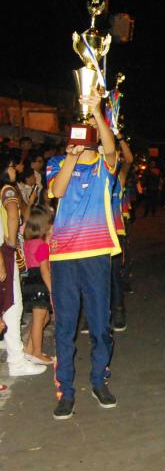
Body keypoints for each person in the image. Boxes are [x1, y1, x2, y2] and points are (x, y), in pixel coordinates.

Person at [47, 90, 121, 420]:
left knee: (100, 324)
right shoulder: (57, 163)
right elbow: (58, 190)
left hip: (96, 253)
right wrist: (72, 157)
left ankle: (99, 380)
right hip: (63, 256)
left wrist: (98, 111)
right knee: (65, 327)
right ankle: (65, 390)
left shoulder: (105, 166)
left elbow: (112, 149)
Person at [0, 154, 47, 377]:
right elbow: (13, 214)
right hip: (5, 252)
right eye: (11, 167)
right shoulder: (7, 190)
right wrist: (10, 243)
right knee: (12, 304)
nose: (15, 170)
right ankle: (17, 361)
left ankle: (14, 350)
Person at [22, 204, 54, 364]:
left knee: (43, 317)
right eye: (49, 223)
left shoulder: (29, 242)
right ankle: (37, 352)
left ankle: (29, 349)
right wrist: (52, 290)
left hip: (30, 281)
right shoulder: (42, 246)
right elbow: (44, 270)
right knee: (40, 318)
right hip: (39, 283)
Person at [110, 137, 134, 332]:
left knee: (115, 275)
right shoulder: (93, 176)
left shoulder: (119, 178)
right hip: (95, 234)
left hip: (115, 234)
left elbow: (129, 160)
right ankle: (95, 314)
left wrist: (119, 138)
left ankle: (119, 310)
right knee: (95, 278)